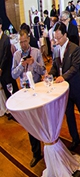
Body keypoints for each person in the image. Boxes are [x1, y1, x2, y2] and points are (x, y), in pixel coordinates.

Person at [50, 23, 80, 150]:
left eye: (58, 38)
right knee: (69, 115)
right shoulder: (56, 49)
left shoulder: (74, 48)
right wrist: (50, 74)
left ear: (65, 35)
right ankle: (75, 138)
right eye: (55, 38)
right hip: (63, 90)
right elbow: (54, 65)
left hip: (76, 87)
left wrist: (63, 77)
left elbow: (75, 67)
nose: (56, 41)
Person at [11, 29, 47, 167]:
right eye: (20, 42)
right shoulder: (16, 55)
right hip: (25, 92)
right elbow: (14, 75)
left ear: (29, 40)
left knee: (41, 120)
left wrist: (33, 63)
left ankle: (48, 148)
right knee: (30, 123)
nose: (23, 44)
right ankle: (36, 153)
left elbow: (43, 70)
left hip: (38, 90)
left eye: (25, 41)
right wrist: (21, 65)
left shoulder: (36, 52)